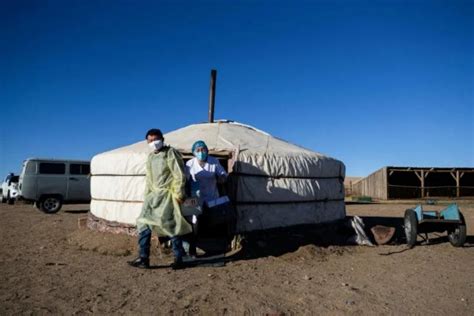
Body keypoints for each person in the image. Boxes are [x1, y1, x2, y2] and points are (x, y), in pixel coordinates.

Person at [128, 129, 192, 270]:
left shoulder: (170, 153)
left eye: (156, 139)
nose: (153, 143)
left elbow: (179, 175)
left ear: (162, 139)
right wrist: (147, 196)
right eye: (150, 141)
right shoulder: (151, 157)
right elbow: (150, 179)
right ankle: (143, 258)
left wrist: (178, 194)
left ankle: (178, 258)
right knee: (143, 224)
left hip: (168, 196)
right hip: (152, 197)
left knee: (170, 226)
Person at [185, 140, 228, 206]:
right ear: (194, 153)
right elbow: (185, 180)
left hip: (212, 196)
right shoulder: (190, 163)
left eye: (203, 149)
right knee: (196, 215)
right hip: (196, 198)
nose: (201, 152)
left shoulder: (214, 161)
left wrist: (222, 178)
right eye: (198, 150)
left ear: (207, 150)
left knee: (213, 215)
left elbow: (223, 174)